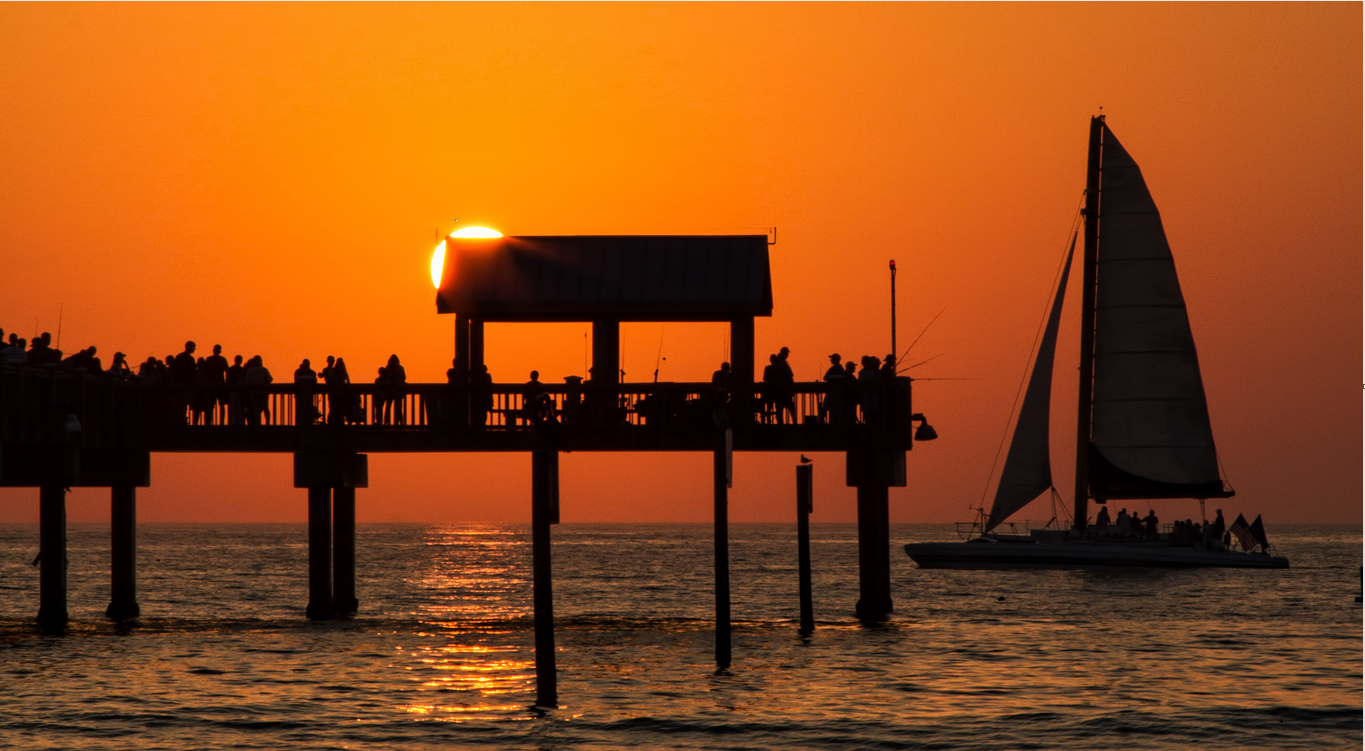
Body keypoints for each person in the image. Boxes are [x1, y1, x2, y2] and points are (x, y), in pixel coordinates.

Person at [242, 356, 273, 426]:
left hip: (253, 393)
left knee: (255, 408)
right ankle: (267, 422)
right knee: (265, 407)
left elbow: (246, 381)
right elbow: (270, 379)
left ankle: (258, 423)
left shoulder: (250, 370)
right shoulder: (264, 369)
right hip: (263, 392)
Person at [774, 346, 796, 425]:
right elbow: (790, 376)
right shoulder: (784, 364)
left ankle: (780, 423)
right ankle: (794, 422)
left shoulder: (776, 363)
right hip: (785, 390)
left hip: (779, 390)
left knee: (780, 407)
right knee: (790, 407)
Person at [383, 355, 407, 424]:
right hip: (395, 391)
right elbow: (404, 378)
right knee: (397, 407)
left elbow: (384, 379)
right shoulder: (400, 368)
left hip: (391, 391)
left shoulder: (387, 368)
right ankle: (399, 422)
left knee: (390, 407)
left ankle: (387, 422)